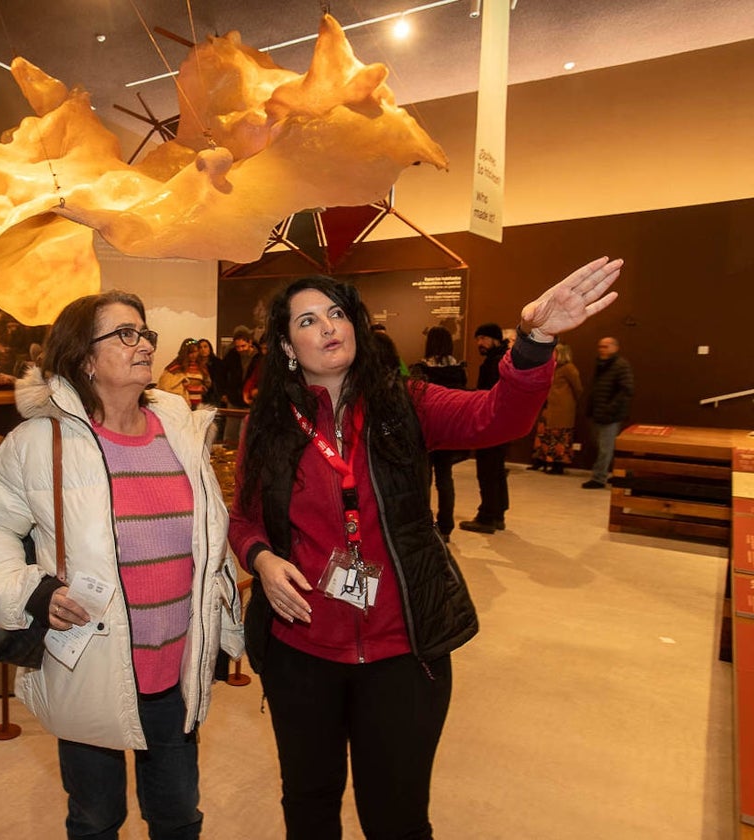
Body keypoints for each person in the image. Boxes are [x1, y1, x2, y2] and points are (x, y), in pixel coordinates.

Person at [228, 257, 622, 839]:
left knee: (397, 818)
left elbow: (499, 417)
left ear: (356, 326)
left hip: (403, 651)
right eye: (307, 321)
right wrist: (261, 557)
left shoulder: (405, 403)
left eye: (337, 313)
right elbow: (243, 519)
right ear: (287, 345)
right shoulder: (268, 426)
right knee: (309, 805)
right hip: (301, 651)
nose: (328, 327)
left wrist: (535, 341)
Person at [0, 290, 243, 840]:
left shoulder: (180, 431)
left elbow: (207, 535)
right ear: (84, 358)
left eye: (145, 333)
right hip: (90, 663)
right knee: (94, 818)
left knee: (179, 815)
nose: (144, 345)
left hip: (177, 669)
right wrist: (31, 592)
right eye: (125, 334)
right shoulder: (39, 442)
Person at [413, 326, 468, 541]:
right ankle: (446, 527)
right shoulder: (458, 369)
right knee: (445, 479)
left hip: (426, 432)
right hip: (448, 432)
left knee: (423, 480)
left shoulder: (421, 369)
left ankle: (424, 525)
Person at [458, 323, 511, 533]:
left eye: (483, 338)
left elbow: (489, 394)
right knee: (497, 469)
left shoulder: (495, 362)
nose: (480, 343)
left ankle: (487, 517)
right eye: (478, 339)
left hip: (491, 423)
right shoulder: (502, 358)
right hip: (502, 424)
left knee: (488, 470)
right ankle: (498, 513)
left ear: (495, 339)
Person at [582, 335, 635, 488]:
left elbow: (627, 390)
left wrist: (610, 408)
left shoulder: (620, 365)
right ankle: (618, 473)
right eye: (600, 347)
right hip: (597, 412)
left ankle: (599, 478)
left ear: (615, 348)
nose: (602, 350)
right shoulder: (601, 365)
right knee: (602, 446)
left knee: (605, 448)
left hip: (611, 415)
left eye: (606, 346)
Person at [530, 343, 583, 474]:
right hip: (548, 407)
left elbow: (578, 388)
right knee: (544, 433)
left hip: (562, 409)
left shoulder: (569, 368)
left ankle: (558, 465)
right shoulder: (552, 367)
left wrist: (569, 402)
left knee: (559, 436)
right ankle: (541, 460)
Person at [219, 325, 259, 444]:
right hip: (234, 398)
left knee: (246, 433)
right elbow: (222, 373)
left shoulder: (259, 357)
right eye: (238, 347)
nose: (240, 349)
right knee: (230, 432)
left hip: (250, 400)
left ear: (250, 342)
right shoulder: (232, 355)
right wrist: (224, 392)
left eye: (243, 346)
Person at [157, 337, 211, 408]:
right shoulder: (176, 366)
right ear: (185, 353)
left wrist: (202, 387)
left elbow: (207, 383)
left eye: (196, 351)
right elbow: (166, 384)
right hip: (182, 404)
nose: (194, 355)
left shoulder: (201, 366)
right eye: (191, 352)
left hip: (198, 404)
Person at [195, 337, 224, 406]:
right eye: (200, 347)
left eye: (205, 347)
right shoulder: (195, 364)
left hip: (214, 395)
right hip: (199, 394)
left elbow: (221, 380)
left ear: (210, 348)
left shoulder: (217, 362)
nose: (203, 349)